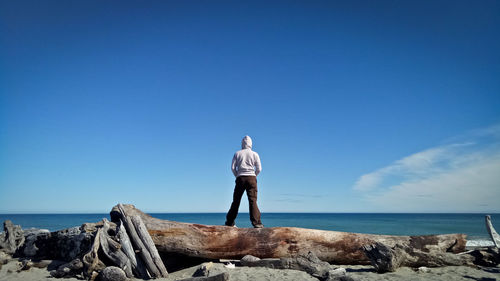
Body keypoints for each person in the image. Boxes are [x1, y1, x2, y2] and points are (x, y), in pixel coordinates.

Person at [225, 135, 264, 228]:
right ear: (251, 144)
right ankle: (257, 223)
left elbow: (233, 168)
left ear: (242, 143)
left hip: (240, 178)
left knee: (236, 201)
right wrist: (254, 175)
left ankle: (229, 222)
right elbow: (259, 169)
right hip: (252, 178)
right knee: (252, 201)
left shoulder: (237, 153)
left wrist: (237, 175)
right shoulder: (255, 154)